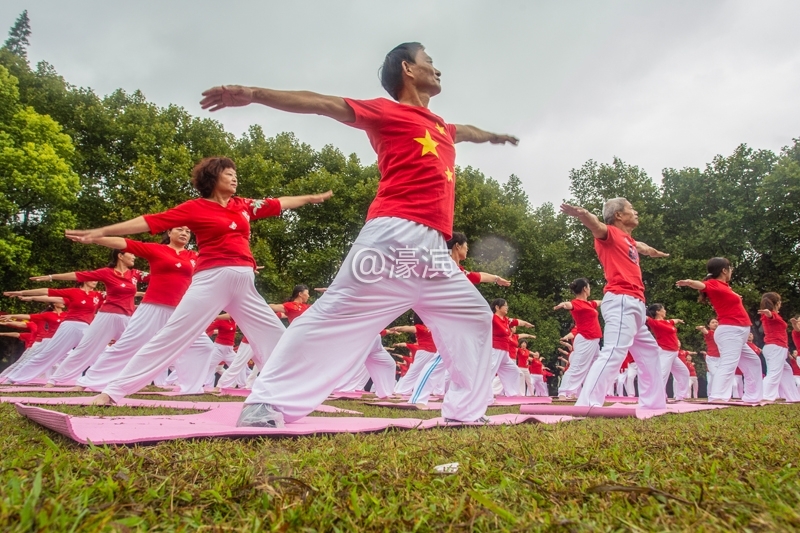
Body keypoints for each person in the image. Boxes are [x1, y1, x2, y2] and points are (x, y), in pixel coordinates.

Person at [202, 43, 519, 426]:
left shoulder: (442, 127)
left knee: (471, 316)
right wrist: (253, 94)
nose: (438, 70)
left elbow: (467, 131)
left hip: (435, 250)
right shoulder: (386, 111)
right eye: (430, 63)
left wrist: (493, 136)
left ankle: (465, 414)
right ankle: (266, 402)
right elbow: (320, 102)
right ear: (407, 68)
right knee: (335, 314)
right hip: (393, 237)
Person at [66, 156, 331, 405]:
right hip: (212, 278)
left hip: (244, 282)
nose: (235, 179)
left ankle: (287, 392)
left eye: (235, 175)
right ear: (213, 178)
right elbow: (150, 222)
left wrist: (310, 197)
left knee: (274, 334)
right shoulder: (195, 208)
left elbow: (279, 202)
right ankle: (113, 391)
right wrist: (101, 232)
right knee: (174, 334)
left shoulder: (243, 205)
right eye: (229, 174)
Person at [65, 228, 217, 393]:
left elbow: (217, 262)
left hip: (181, 310)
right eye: (179, 229)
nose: (185, 233)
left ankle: (191, 388)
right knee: (128, 345)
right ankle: (89, 381)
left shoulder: (193, 256)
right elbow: (125, 244)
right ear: (169, 233)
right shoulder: (157, 249)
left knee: (203, 346)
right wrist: (94, 237)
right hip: (154, 306)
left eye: (188, 231)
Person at [560, 198, 669, 409]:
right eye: (631, 208)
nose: (636, 211)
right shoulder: (609, 234)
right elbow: (596, 225)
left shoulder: (628, 240)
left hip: (636, 303)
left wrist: (654, 252)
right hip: (621, 301)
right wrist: (582, 214)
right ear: (618, 215)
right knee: (613, 351)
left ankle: (653, 403)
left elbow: (642, 247)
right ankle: (587, 404)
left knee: (650, 352)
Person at [676, 257, 763, 403]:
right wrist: (689, 282)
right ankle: (717, 397)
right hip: (730, 331)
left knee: (753, 362)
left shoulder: (725, 286)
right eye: (730, 268)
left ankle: (752, 396)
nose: (732, 271)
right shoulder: (713, 284)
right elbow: (702, 285)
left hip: (739, 332)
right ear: (724, 270)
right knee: (729, 363)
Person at [2, 281, 102, 384]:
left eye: (96, 280)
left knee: (100, 351)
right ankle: (14, 378)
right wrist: (23, 294)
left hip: (86, 327)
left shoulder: (98, 295)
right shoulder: (73, 293)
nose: (96, 282)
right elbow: (49, 295)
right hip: (70, 326)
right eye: (92, 279)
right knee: (47, 355)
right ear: (84, 280)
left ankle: (97, 381)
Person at [554, 278, 602, 399]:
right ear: (585, 289)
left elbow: (598, 302)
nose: (590, 289)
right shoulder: (577, 303)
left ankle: (581, 392)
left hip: (594, 341)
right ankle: (563, 392)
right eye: (589, 287)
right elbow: (569, 305)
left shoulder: (589, 304)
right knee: (577, 366)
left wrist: (610, 300)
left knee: (596, 366)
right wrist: (563, 304)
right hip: (586, 338)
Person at [757, 293, 800, 402]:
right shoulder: (768, 315)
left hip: (776, 347)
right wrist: (770, 314)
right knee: (774, 373)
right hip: (775, 347)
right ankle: (764, 396)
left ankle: (793, 397)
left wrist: (771, 314)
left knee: (786, 371)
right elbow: (771, 317)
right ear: (777, 303)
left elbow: (772, 316)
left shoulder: (773, 314)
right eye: (780, 301)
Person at [489, 298, 534, 399]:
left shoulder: (505, 319)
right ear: (497, 307)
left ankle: (512, 393)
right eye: (505, 305)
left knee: (515, 372)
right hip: (495, 349)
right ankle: (483, 394)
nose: (507, 307)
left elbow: (516, 321)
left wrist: (526, 324)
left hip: (504, 352)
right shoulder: (492, 318)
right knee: (490, 371)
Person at [645, 304, 690, 401]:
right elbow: (642, 316)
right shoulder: (654, 322)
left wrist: (679, 320)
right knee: (662, 375)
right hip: (665, 352)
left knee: (684, 373)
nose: (665, 311)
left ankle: (681, 396)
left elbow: (674, 320)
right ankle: (659, 397)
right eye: (663, 309)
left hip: (674, 353)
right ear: (658, 311)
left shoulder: (667, 322)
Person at [696, 318, 719, 393]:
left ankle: (717, 393)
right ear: (709, 325)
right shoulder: (709, 333)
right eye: (713, 322)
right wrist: (702, 328)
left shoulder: (720, 334)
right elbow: (705, 331)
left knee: (718, 376)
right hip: (712, 358)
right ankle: (712, 394)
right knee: (715, 375)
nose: (715, 323)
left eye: (716, 322)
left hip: (721, 358)